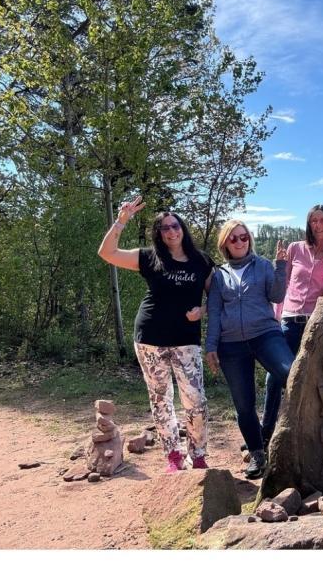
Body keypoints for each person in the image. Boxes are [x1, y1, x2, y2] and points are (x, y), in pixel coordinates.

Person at [97, 196, 214, 473]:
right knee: (161, 399)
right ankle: (173, 456)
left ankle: (197, 455)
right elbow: (107, 253)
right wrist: (121, 220)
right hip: (150, 338)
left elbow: (217, 297)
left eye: (175, 226)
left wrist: (203, 311)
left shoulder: (201, 261)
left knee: (195, 400)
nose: (172, 231)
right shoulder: (149, 257)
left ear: (183, 228)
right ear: (159, 234)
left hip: (187, 340)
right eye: (165, 228)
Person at [204, 219, 293, 479]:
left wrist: (281, 267)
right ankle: (257, 453)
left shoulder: (262, 265)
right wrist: (211, 346)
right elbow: (215, 313)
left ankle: (298, 433)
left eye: (244, 237)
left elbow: (276, 296)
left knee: (291, 374)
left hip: (265, 334)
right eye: (234, 238)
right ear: (225, 244)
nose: (240, 242)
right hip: (231, 344)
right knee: (244, 405)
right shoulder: (218, 275)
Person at [260, 205, 323, 442]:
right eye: (313, 221)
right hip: (289, 319)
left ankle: (307, 433)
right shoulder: (296, 248)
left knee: (314, 376)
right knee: (274, 376)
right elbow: (282, 285)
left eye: (322, 221)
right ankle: (266, 434)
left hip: (316, 323)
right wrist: (276, 317)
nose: (317, 225)